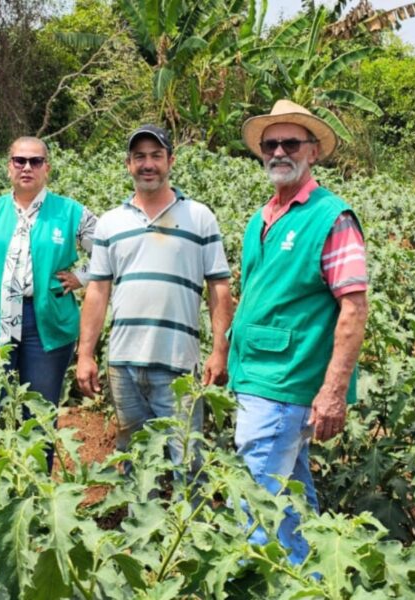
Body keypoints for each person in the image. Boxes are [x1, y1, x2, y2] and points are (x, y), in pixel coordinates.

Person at [228, 100, 370, 565]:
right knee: (290, 504)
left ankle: (255, 585)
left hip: (287, 383)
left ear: (313, 152)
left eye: (291, 143)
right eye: (271, 144)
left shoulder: (331, 217)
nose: (279, 151)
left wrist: (332, 392)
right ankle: (311, 578)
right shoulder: (261, 217)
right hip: (256, 377)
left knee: (254, 507)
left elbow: (353, 306)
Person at [76, 124, 233, 474]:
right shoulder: (111, 223)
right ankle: (137, 525)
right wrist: (85, 354)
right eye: (140, 157)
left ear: (170, 161)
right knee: (132, 459)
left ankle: (187, 529)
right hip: (123, 363)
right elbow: (98, 291)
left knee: (188, 461)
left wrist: (221, 350)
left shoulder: (199, 217)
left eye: (156, 156)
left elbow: (218, 286)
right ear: (128, 164)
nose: (148, 164)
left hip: (179, 364)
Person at [0, 136, 97, 422]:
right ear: (9, 168)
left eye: (35, 161)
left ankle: (34, 469)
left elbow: (111, 250)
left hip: (46, 323)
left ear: (46, 169)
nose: (27, 167)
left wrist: (81, 276)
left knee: (39, 418)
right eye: (20, 161)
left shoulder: (71, 213)